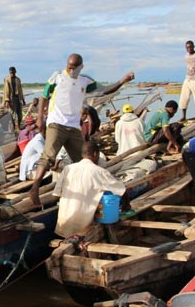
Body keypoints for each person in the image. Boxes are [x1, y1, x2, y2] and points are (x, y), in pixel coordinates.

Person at [29, 53, 134, 206]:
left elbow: (105, 90)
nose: (71, 71)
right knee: (48, 157)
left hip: (73, 126)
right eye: (68, 67)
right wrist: (40, 118)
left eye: (74, 68)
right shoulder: (57, 77)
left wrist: (122, 81)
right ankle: (35, 188)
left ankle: (89, 191)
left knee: (83, 160)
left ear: (81, 67)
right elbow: (44, 96)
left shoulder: (85, 81)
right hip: (56, 123)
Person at [53, 141, 126, 237]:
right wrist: (126, 206)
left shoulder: (68, 168)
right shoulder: (99, 172)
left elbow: (57, 193)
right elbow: (122, 190)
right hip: (82, 227)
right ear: (95, 154)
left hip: (63, 223)